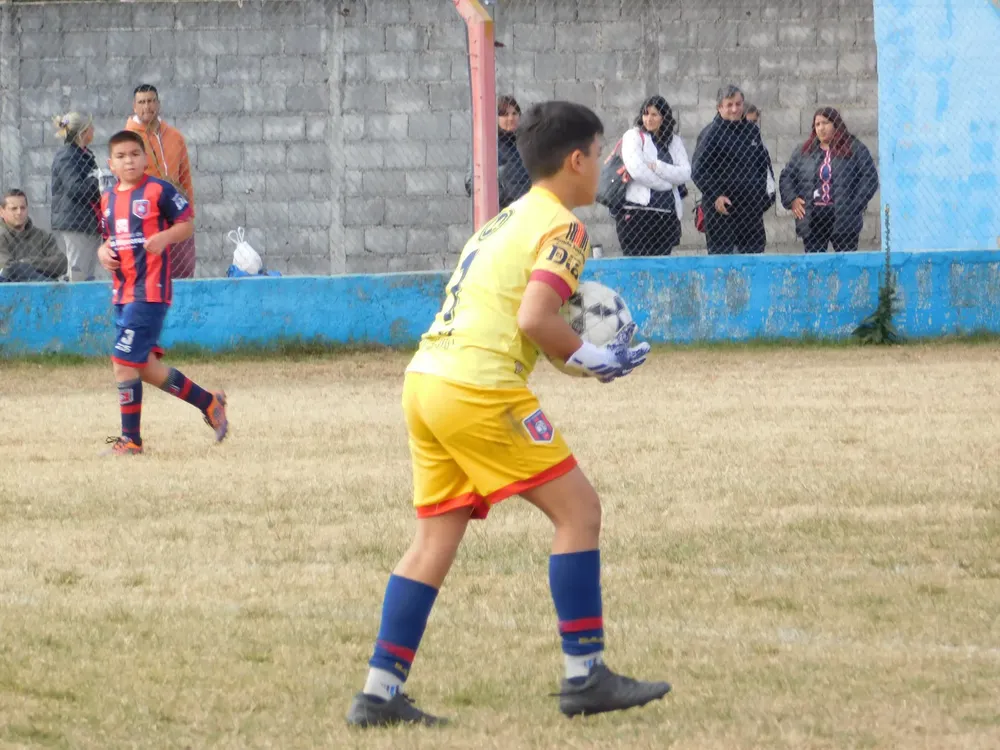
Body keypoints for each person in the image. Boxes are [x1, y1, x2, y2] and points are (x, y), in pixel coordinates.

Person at [345, 101, 667, 728]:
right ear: (577, 160)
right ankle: (585, 675)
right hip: (477, 386)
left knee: (435, 538)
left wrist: (582, 359)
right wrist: (597, 354)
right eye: (599, 154)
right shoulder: (566, 229)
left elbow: (525, 324)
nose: (601, 165)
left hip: (427, 380)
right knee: (580, 512)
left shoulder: (505, 220)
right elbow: (533, 320)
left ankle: (378, 693)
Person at [97, 130, 227, 456]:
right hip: (123, 293)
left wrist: (166, 237)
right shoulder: (108, 200)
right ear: (111, 164)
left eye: (134, 154)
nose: (129, 161)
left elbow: (187, 223)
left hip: (150, 292)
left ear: (145, 158)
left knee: (123, 361)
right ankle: (209, 403)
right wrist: (103, 253)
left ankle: (132, 441)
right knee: (146, 369)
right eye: (122, 156)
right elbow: (108, 239)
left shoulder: (159, 190)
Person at [779, 107, 880, 253]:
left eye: (825, 123)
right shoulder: (804, 151)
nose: (821, 128)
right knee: (815, 265)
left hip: (844, 217)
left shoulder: (854, 147)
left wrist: (855, 205)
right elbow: (786, 176)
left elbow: (870, 177)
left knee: (846, 264)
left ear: (836, 123)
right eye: (817, 124)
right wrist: (792, 200)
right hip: (813, 218)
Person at [692, 85, 775, 254]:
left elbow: (762, 166)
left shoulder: (752, 131)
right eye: (729, 105)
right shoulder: (711, 134)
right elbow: (698, 170)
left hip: (751, 215)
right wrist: (716, 195)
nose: (734, 109)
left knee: (754, 264)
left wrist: (761, 199)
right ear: (719, 107)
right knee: (724, 268)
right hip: (723, 215)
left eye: (738, 104)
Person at [125, 84, 197, 279]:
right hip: (145, 214)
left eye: (150, 101)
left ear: (158, 104)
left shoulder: (175, 137)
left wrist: (189, 211)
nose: (146, 106)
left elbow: (185, 177)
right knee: (151, 272)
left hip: (176, 212)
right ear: (134, 106)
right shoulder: (128, 139)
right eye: (141, 102)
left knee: (183, 268)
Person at [615, 95, 691, 256]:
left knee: (661, 267)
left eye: (654, 114)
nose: (648, 119)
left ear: (664, 117)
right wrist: (669, 184)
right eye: (646, 113)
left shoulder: (674, 141)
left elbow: (685, 172)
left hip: (666, 217)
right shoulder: (633, 136)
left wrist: (658, 167)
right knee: (637, 267)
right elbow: (638, 171)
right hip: (637, 216)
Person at [50, 111, 103, 281]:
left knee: (86, 273)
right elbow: (75, 188)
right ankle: (74, 306)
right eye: (90, 128)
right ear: (82, 133)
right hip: (75, 222)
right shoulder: (67, 155)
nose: (93, 130)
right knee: (78, 274)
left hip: (86, 220)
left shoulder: (82, 154)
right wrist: (99, 181)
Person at [465, 94, 532, 211]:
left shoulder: (528, 144)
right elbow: (471, 184)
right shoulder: (487, 146)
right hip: (501, 213)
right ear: (495, 118)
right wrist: (503, 193)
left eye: (515, 113)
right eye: (505, 114)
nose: (511, 118)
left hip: (529, 211)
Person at [0, 189, 67, 282]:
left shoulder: (43, 236)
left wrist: (27, 262)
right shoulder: (2, 236)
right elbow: (9, 269)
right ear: (1, 212)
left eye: (23, 208)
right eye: (14, 208)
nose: (19, 212)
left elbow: (62, 263)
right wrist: (43, 268)